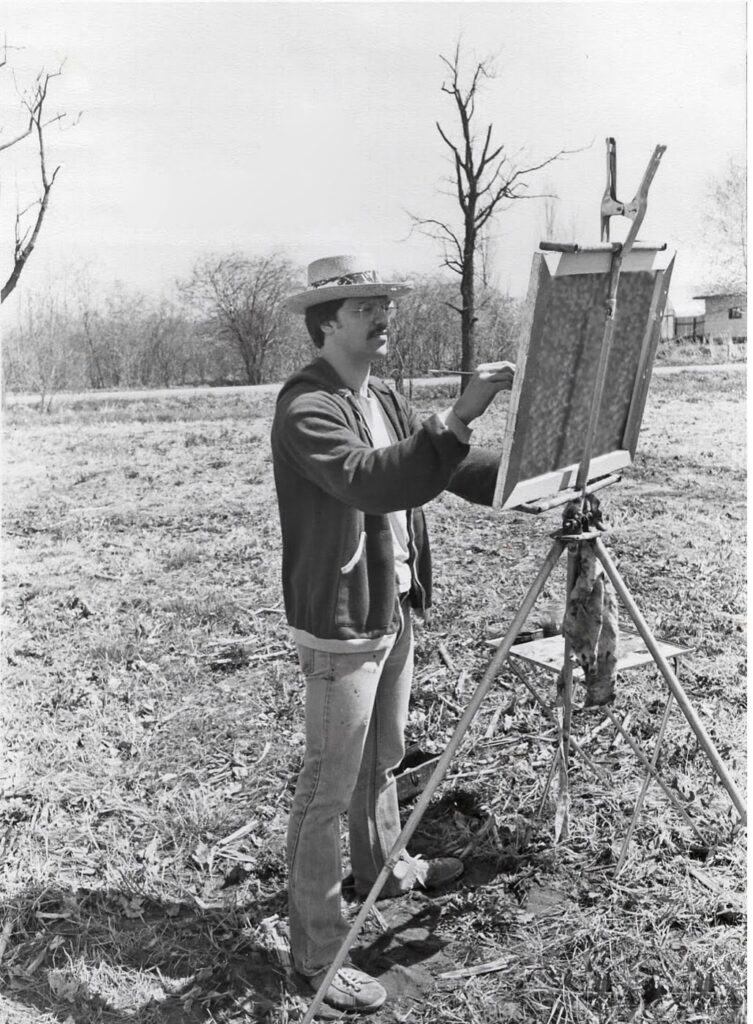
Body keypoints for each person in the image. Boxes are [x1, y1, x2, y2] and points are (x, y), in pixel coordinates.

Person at [271, 254, 514, 1013]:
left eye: (384, 302)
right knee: (325, 787)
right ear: (325, 324)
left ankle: (382, 873)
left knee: (381, 758)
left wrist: (534, 477)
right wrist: (458, 414)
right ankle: (313, 955)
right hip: (342, 624)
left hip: (392, 604)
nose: (382, 315)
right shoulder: (307, 407)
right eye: (362, 305)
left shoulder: (381, 395)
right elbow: (375, 480)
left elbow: (443, 470)